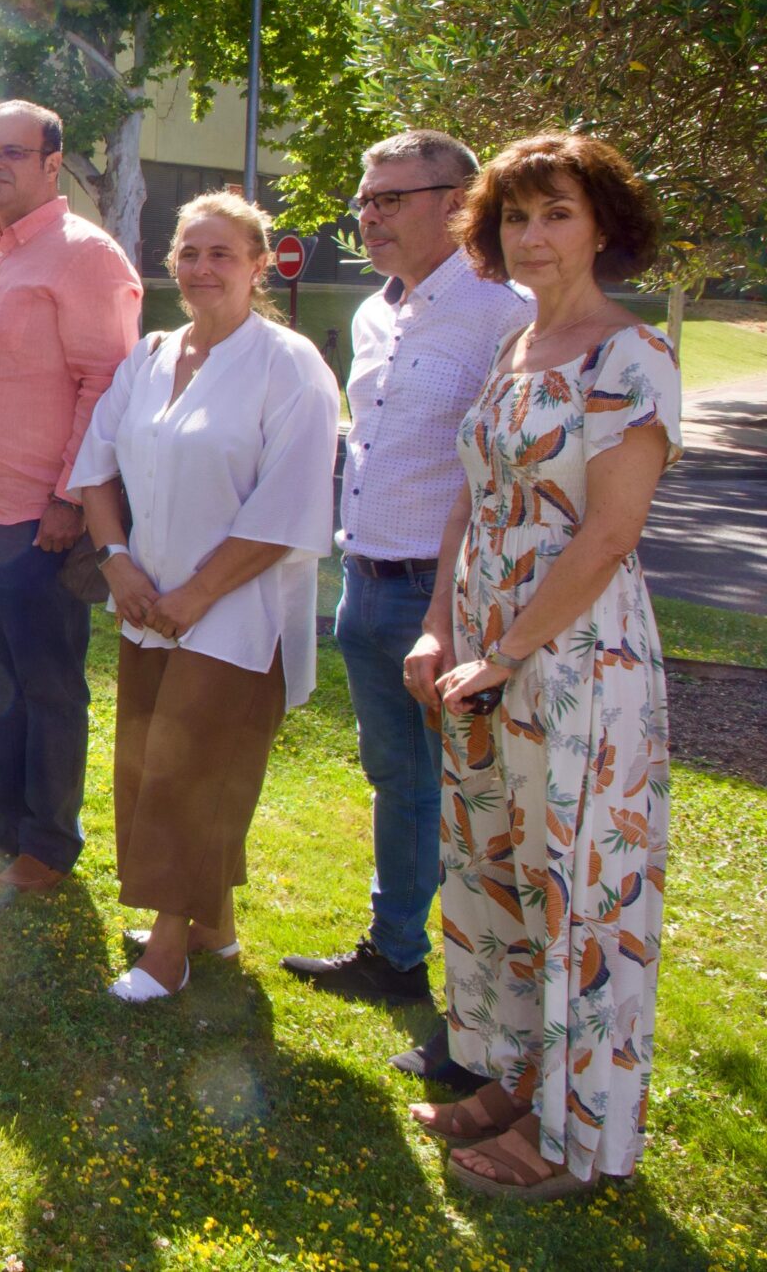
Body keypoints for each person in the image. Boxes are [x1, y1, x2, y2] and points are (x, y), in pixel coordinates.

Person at [403, 134, 678, 1201]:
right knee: (498, 885)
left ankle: (575, 1140)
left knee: (579, 897)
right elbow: (469, 503)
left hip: (575, 671)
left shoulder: (630, 356)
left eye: (555, 213)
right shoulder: (512, 350)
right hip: (481, 659)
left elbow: (608, 533)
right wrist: (439, 628)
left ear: (602, 225)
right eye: (515, 217)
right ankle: (514, 1083)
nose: (532, 236)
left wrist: (508, 654)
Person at [280, 133, 530, 1089]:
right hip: (367, 580)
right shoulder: (379, 315)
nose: (369, 217)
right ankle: (395, 953)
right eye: (363, 201)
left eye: (390, 199)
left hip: (448, 596)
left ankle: (481, 1009)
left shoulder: (504, 314)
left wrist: (452, 609)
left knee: (472, 798)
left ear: (459, 199)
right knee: (398, 777)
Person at [71, 191, 341, 1002]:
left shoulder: (290, 365)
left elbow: (289, 505)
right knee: (145, 762)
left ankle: (167, 950)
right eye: (189, 252)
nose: (201, 268)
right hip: (145, 604)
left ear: (259, 265)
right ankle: (212, 924)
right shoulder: (150, 354)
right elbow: (95, 465)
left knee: (191, 773)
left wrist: (196, 593)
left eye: (222, 253)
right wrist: (116, 562)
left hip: (236, 612)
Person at [0, 101, 140, 889]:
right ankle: (3, 819)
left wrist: (70, 499)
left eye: (12, 151)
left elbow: (106, 385)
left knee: (48, 683)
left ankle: (50, 843)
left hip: (36, 518)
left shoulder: (86, 255)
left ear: (54, 162)